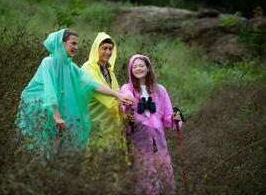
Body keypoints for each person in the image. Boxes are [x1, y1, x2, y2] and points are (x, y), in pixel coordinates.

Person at [15, 28, 133, 156]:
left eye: (77, 44)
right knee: (41, 147)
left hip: (58, 109)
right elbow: (50, 90)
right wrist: (56, 115)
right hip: (41, 109)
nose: (76, 47)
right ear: (62, 43)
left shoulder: (70, 66)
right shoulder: (48, 62)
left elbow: (92, 83)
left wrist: (117, 95)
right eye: (73, 43)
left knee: (60, 149)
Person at [120, 54, 183, 195]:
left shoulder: (160, 90)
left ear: (148, 68)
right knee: (144, 175)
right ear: (131, 70)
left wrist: (174, 118)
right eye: (134, 66)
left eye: (141, 65)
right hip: (139, 138)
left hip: (158, 139)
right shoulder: (127, 88)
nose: (138, 68)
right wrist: (130, 107)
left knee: (165, 172)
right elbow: (123, 103)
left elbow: (167, 117)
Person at [81, 32, 126, 152]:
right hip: (95, 119)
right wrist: (117, 95)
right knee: (95, 150)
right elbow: (95, 86)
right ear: (97, 49)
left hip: (110, 121)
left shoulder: (109, 70)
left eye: (111, 49)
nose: (108, 52)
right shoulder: (88, 67)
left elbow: (116, 91)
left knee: (111, 153)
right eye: (104, 48)